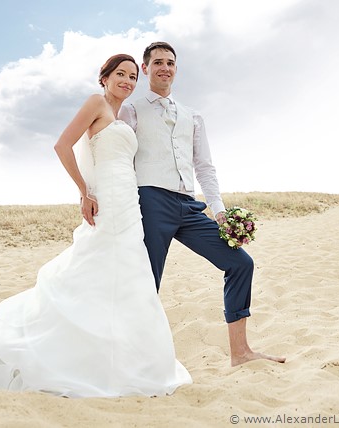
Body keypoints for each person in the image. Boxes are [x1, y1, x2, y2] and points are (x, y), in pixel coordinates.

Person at [0, 54, 192, 398]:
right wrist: (83, 191)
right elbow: (62, 145)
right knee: (96, 267)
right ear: (104, 77)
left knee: (126, 275)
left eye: (133, 76)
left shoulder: (122, 115)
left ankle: (118, 360)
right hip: (106, 201)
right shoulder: (96, 103)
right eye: (121, 74)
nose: (128, 81)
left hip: (128, 203)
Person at [119, 42, 286, 367]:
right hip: (151, 201)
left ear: (176, 70)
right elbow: (122, 159)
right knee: (146, 281)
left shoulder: (192, 115)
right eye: (157, 63)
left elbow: (204, 167)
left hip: (189, 206)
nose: (164, 68)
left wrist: (219, 210)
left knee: (240, 264)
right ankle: (130, 361)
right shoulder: (132, 110)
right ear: (146, 68)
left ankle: (240, 353)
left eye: (170, 63)